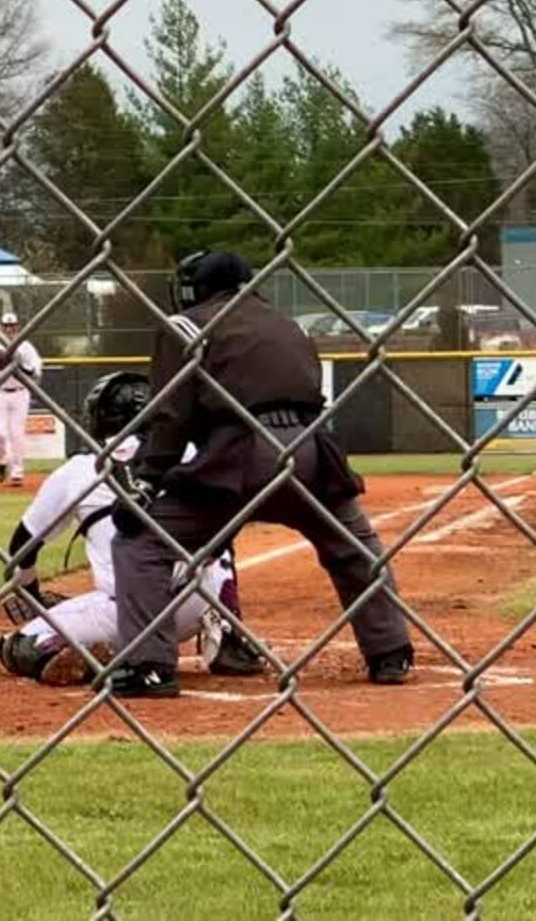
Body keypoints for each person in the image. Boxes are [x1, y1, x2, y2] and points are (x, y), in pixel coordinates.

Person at [107, 250, 414, 698]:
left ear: (197, 288)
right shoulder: (287, 325)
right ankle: (392, 651)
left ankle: (148, 666)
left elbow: (170, 415)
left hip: (240, 455)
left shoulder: (184, 326)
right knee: (355, 548)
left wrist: (149, 479)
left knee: (141, 542)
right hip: (312, 451)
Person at [0, 371, 263, 686]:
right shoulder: (191, 453)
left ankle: (101, 656)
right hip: (199, 601)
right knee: (219, 530)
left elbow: (21, 548)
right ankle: (228, 633)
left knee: (18, 648)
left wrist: (33, 598)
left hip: (130, 613)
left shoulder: (78, 470)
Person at [0, 311, 43, 486]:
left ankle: (17, 473)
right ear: (1, 327)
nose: (9, 328)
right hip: (0, 392)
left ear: (17, 326)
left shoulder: (25, 347)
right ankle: (1, 463)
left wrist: (18, 364)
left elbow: (34, 371)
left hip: (20, 393)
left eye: (12, 325)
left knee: (16, 435)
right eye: (6, 325)